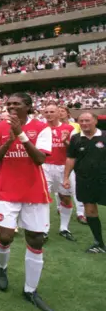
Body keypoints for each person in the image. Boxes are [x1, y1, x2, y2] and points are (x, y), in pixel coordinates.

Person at [0, 93, 54, 311]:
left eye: (16, 104)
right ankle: (1, 268)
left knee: (35, 240)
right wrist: (9, 139)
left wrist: (21, 135)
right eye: (9, 104)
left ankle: (30, 290)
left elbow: (40, 159)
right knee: (5, 236)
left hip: (34, 190)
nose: (12, 107)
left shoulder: (42, 127)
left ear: (28, 106)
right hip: (6, 190)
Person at [64, 112, 106, 253]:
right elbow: (70, 158)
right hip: (84, 179)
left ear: (95, 121)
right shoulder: (76, 138)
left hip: (104, 179)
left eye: (87, 120)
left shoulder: (104, 136)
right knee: (90, 209)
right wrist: (65, 178)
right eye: (81, 121)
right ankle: (99, 243)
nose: (84, 123)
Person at [41, 103, 77, 241]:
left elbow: (74, 151)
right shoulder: (41, 129)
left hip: (64, 168)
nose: (49, 114)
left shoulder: (69, 129)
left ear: (58, 113)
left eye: (52, 111)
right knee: (43, 199)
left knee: (65, 198)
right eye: (47, 112)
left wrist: (66, 141)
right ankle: (44, 230)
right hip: (45, 167)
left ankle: (64, 228)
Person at [60, 106, 87, 224]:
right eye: (58, 111)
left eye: (62, 111)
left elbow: (77, 145)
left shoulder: (75, 126)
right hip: (57, 162)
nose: (60, 113)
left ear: (67, 113)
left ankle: (80, 213)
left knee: (75, 187)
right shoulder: (50, 127)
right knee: (59, 190)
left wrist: (65, 141)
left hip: (72, 160)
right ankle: (59, 207)